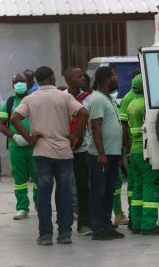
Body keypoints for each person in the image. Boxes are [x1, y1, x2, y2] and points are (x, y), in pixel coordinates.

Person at [11, 66, 89, 246]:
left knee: (44, 195)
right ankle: (65, 233)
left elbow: (15, 118)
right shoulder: (64, 96)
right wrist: (76, 135)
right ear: (53, 78)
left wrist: (30, 139)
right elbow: (84, 113)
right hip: (64, 152)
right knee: (65, 193)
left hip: (42, 151)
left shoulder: (31, 99)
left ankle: (45, 235)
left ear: (38, 81)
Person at [127, 75, 159, 235]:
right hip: (146, 151)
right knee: (152, 186)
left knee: (137, 188)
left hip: (134, 150)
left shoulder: (131, 103)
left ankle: (137, 224)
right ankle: (149, 224)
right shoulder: (146, 104)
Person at [88, 67, 124, 240]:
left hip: (113, 153)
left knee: (109, 190)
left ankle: (107, 225)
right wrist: (101, 154)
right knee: (99, 192)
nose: (117, 79)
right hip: (101, 155)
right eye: (114, 76)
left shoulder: (108, 98)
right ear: (107, 79)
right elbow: (96, 128)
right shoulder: (96, 99)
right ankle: (98, 228)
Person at [0, 73, 38, 220]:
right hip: (16, 147)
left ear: (28, 83)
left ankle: (40, 205)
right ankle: (22, 208)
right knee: (19, 179)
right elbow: (1, 125)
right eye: (17, 82)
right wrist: (14, 136)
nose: (20, 84)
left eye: (22, 82)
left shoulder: (34, 100)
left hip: (34, 145)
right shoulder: (8, 103)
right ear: (13, 85)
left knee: (38, 177)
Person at [64, 67, 92, 236]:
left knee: (83, 187)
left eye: (83, 76)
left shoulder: (87, 98)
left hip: (82, 150)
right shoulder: (61, 98)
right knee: (63, 187)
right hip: (63, 149)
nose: (83, 78)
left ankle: (84, 223)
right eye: (78, 76)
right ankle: (64, 223)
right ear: (68, 80)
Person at [117, 69, 141, 230]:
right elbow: (123, 128)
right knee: (135, 185)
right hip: (134, 148)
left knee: (135, 186)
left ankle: (135, 217)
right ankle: (135, 216)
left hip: (134, 149)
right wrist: (127, 150)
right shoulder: (129, 99)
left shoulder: (130, 98)